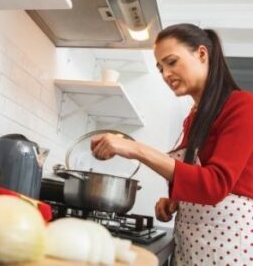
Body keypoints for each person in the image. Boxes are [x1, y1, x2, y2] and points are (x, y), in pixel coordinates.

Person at [90, 23, 253, 265]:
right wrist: (176, 201)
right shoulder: (193, 118)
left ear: (201, 54)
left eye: (172, 62)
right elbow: (197, 178)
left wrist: (137, 149)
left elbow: (216, 184)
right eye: (160, 68)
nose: (166, 74)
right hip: (190, 241)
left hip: (228, 244)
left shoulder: (243, 106)